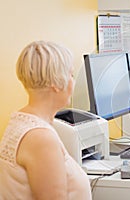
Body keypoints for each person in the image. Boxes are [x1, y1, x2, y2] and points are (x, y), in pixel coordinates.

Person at [0, 41, 92, 199]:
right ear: (56, 83)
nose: (73, 81)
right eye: (70, 75)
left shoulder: (21, 121)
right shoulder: (40, 138)